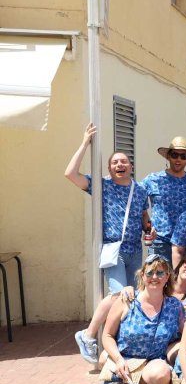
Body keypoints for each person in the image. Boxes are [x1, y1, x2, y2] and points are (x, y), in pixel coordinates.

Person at [66, 123, 152, 364]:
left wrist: (148, 227)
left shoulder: (140, 189)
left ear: (131, 166)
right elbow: (70, 174)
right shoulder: (102, 185)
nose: (120, 165)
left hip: (135, 250)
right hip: (112, 249)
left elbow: (144, 216)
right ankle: (89, 334)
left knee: (131, 298)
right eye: (115, 162)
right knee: (118, 295)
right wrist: (84, 143)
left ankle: (117, 343)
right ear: (109, 167)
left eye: (124, 162)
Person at [100, 255, 182, 384]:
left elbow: (185, 336)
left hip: (153, 366)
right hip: (124, 368)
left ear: (167, 277)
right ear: (142, 275)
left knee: (159, 373)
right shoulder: (126, 301)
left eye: (160, 273)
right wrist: (117, 359)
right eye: (150, 272)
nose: (154, 277)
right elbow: (107, 336)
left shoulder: (175, 306)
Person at [141, 137, 186, 258]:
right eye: (174, 155)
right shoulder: (153, 179)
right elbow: (136, 202)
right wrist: (147, 226)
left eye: (183, 156)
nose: (178, 159)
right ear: (168, 156)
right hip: (160, 243)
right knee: (157, 277)